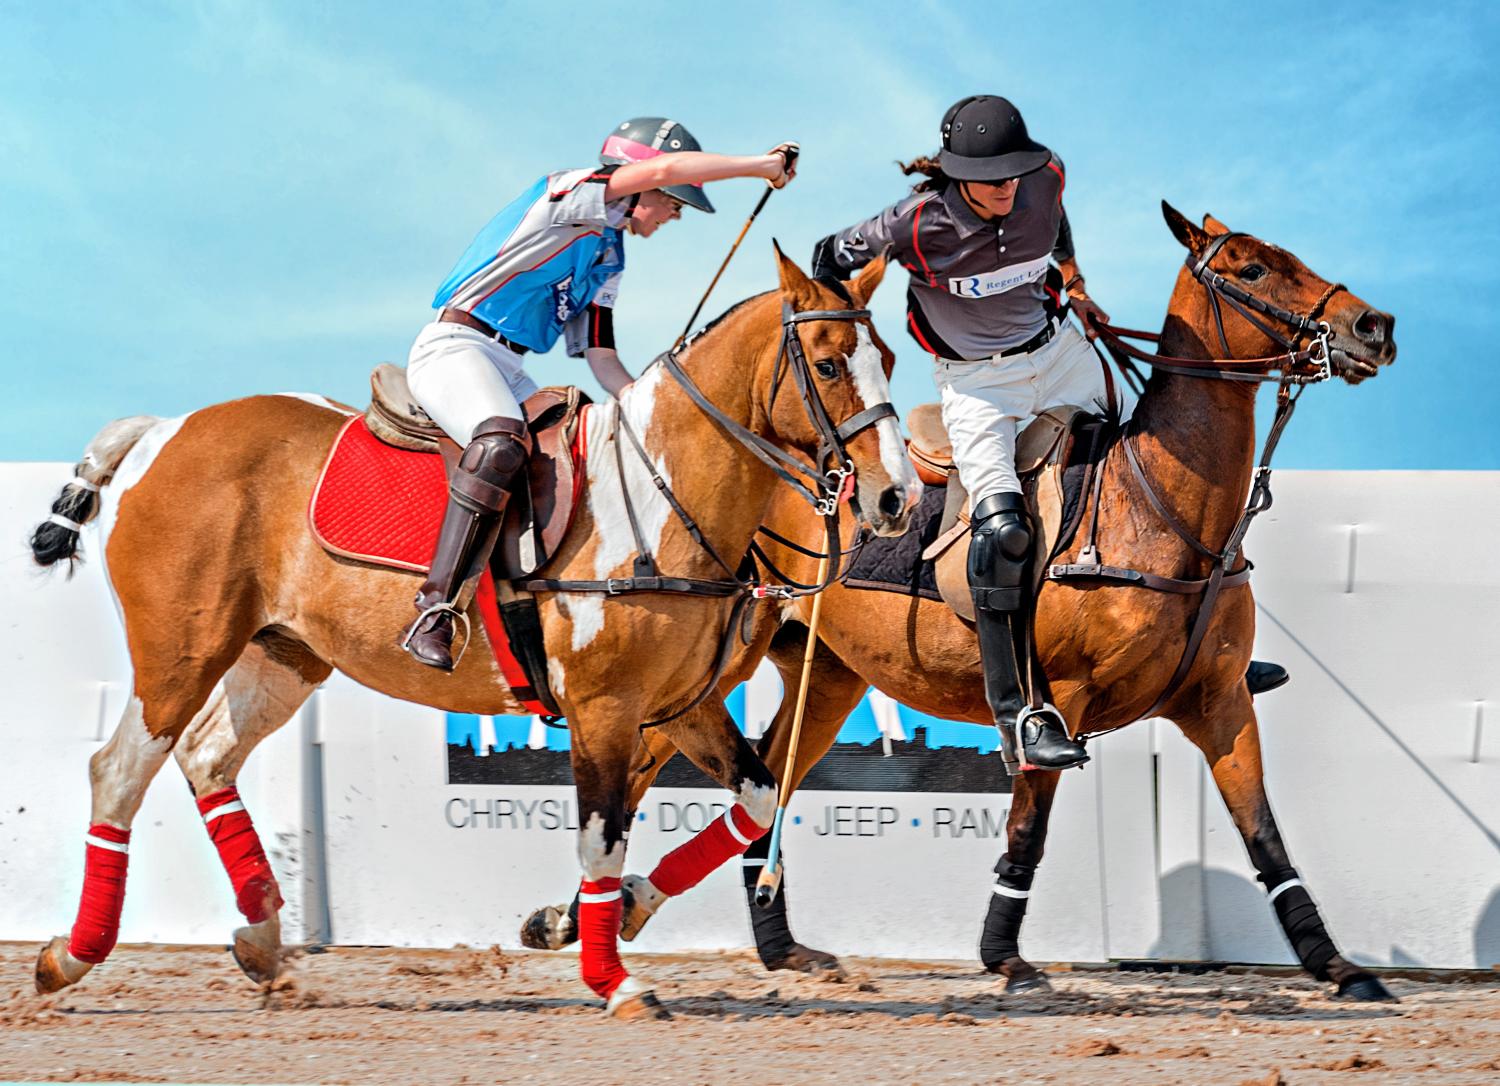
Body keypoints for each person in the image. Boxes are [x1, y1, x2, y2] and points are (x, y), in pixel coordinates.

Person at [812, 95, 1285, 773]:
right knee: (1002, 530)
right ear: (957, 177)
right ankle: (1020, 713)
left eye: (1013, 173)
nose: (1007, 187)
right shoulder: (913, 223)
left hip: (1060, 355)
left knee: (1156, 463)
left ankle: (1205, 647)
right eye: (991, 179)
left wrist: (1075, 282)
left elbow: (1054, 220)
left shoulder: (1043, 179)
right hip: (978, 386)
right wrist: (841, 330)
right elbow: (826, 256)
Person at [402, 118, 797, 669]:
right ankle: (435, 609)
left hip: (510, 366)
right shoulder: (570, 194)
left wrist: (657, 407)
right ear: (643, 186)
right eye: (673, 203)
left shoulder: (610, 257)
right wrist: (760, 166)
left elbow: (602, 360)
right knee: (500, 443)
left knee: (590, 456)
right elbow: (664, 167)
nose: (674, 215)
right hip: (455, 346)